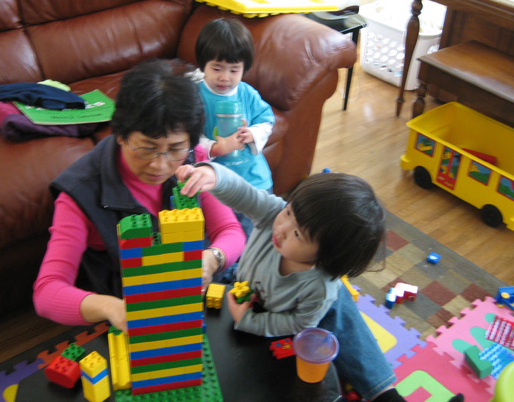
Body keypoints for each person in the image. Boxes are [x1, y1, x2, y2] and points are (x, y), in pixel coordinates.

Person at [176, 162, 463, 402]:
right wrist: (216, 176)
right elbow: (245, 194)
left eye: (298, 235)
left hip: (290, 315)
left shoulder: (319, 286)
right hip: (250, 286)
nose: (283, 227)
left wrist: (250, 321)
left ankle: (385, 395)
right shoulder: (274, 215)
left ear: (324, 257)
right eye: (290, 212)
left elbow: (298, 324)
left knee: (338, 333)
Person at [33, 59, 246, 333]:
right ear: (120, 135)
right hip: (132, 296)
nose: (160, 165)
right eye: (146, 148)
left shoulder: (193, 159)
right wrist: (110, 308)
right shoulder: (79, 194)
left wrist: (212, 258)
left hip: (190, 284)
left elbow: (231, 230)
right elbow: (47, 292)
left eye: (175, 148)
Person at [194, 18, 275, 237]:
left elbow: (266, 120)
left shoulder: (247, 93)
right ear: (203, 65)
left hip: (253, 177)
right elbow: (189, 135)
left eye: (234, 70)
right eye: (217, 68)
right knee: (221, 231)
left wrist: (253, 133)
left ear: (244, 69)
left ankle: (250, 262)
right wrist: (215, 148)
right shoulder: (196, 96)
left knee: (256, 229)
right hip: (216, 181)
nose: (224, 77)